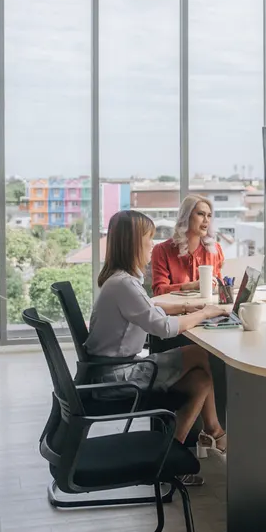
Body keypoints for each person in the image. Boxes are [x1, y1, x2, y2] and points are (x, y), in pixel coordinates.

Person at [87, 210, 230, 484]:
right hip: (118, 378)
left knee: (200, 379)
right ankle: (214, 430)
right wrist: (205, 314)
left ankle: (168, 457)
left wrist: (191, 306)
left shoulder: (119, 281)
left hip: (109, 371)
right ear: (133, 244)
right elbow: (163, 328)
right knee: (200, 354)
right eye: (148, 239)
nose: (152, 244)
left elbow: (150, 305)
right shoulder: (124, 285)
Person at [151, 194, 224, 296]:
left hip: (209, 309)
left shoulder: (215, 250)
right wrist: (191, 286)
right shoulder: (162, 250)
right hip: (176, 311)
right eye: (201, 214)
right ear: (186, 216)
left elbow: (220, 286)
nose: (206, 220)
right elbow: (159, 291)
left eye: (209, 215)